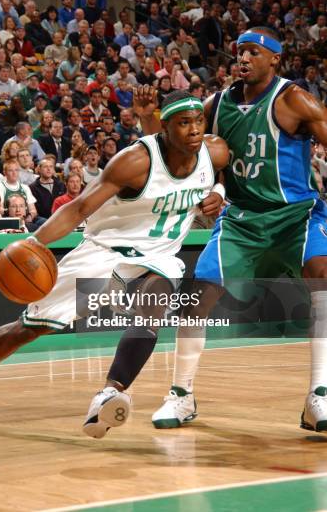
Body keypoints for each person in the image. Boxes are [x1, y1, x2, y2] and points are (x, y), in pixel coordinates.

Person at [0, 88, 229, 435]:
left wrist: (219, 194)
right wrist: (34, 241)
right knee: (28, 328)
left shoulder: (214, 152)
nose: (193, 130)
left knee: (156, 300)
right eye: (183, 123)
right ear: (164, 128)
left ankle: (109, 394)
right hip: (105, 249)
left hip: (159, 255)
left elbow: (227, 176)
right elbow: (79, 208)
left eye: (198, 122)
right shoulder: (135, 161)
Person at [137, 27, 327, 433]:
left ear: (275, 59)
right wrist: (218, 188)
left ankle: (319, 396)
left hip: (296, 215)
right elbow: (184, 147)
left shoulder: (294, 99)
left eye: (253, 52)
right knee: (197, 293)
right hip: (242, 218)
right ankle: (181, 394)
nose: (243, 58)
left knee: (323, 278)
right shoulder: (218, 103)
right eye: (239, 52)